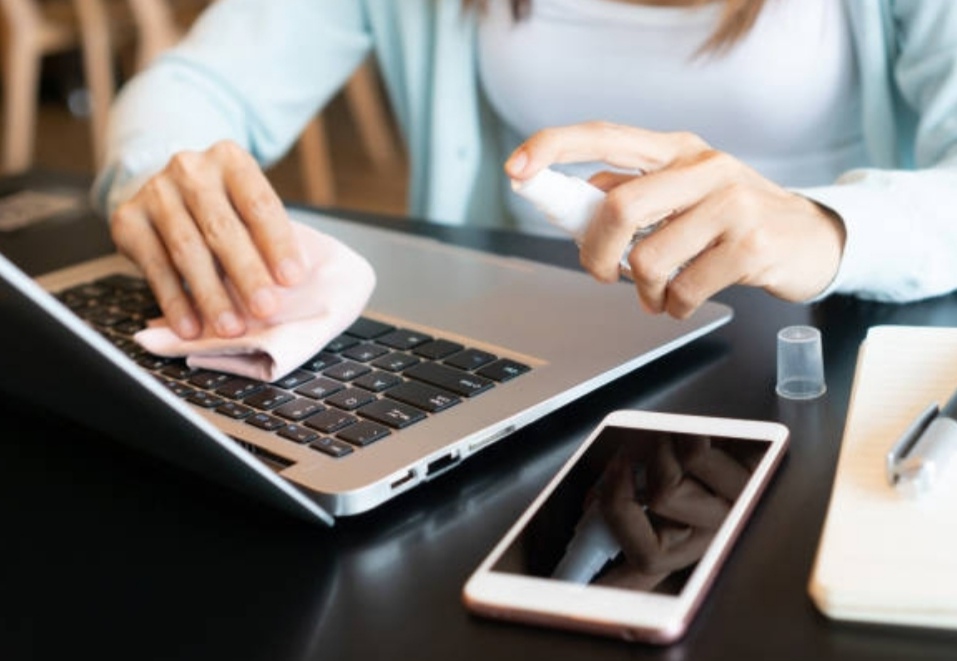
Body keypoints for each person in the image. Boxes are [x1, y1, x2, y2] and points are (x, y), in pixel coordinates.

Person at [93, 0, 957, 337]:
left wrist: (828, 227)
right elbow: (196, 86)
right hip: (528, 347)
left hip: (832, 343)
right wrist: (161, 174)